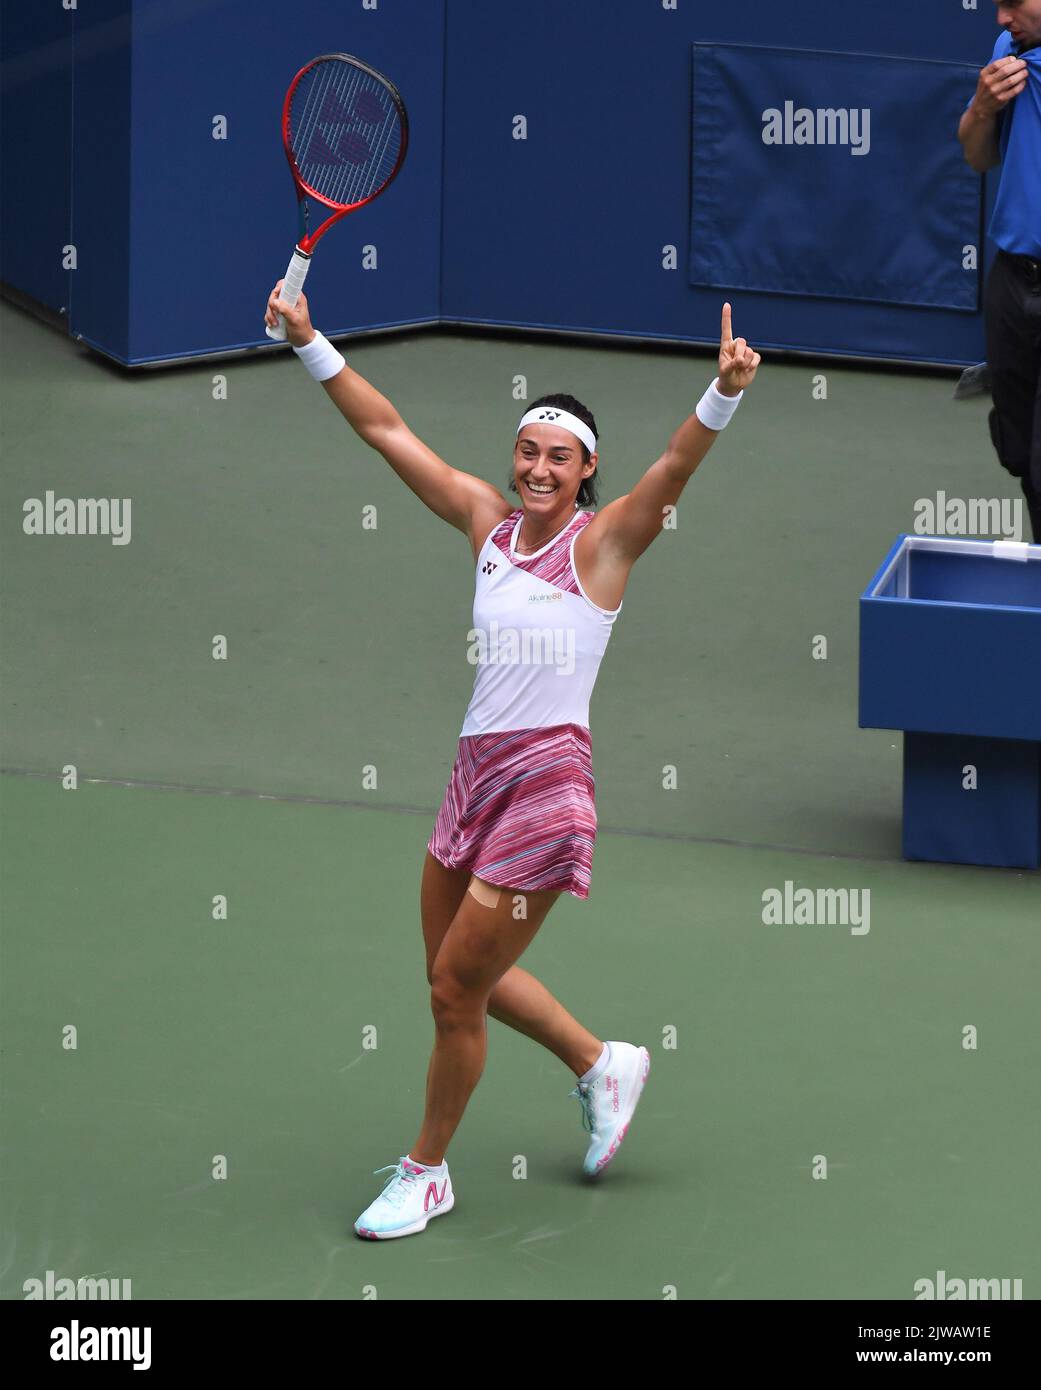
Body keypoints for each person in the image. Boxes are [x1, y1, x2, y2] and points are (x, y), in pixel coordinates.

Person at [264, 282, 760, 1240]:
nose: (537, 468)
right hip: (472, 778)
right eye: (528, 451)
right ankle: (599, 1062)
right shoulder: (485, 527)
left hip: (544, 791)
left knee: (455, 992)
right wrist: (307, 340)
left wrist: (723, 394)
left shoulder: (604, 545)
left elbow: (671, 471)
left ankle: (428, 1172)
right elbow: (387, 431)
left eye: (558, 458)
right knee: (454, 978)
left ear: (586, 472)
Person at [958, 0, 1041, 542]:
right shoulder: (1009, 55)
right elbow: (977, 155)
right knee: (1018, 452)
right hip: (1012, 282)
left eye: (1015, 2)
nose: (1002, 17)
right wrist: (984, 108)